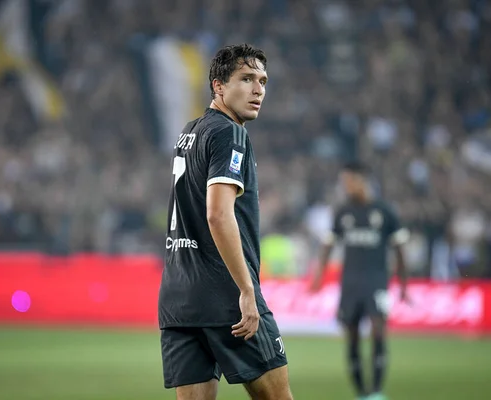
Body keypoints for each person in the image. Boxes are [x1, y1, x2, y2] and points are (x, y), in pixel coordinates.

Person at [158, 44, 293, 400]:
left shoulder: (190, 131)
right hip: (225, 295)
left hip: (178, 299)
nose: (258, 89)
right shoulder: (230, 134)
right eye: (246, 79)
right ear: (218, 86)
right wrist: (247, 291)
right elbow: (218, 214)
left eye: (263, 81)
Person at [310, 161, 410, 400]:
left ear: (362, 180)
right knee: (352, 336)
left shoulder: (385, 212)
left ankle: (376, 391)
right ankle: (361, 392)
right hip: (350, 284)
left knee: (378, 330)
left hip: (377, 282)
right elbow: (327, 245)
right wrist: (318, 275)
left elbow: (400, 250)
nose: (345, 186)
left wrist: (404, 285)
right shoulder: (343, 212)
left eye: (349, 181)